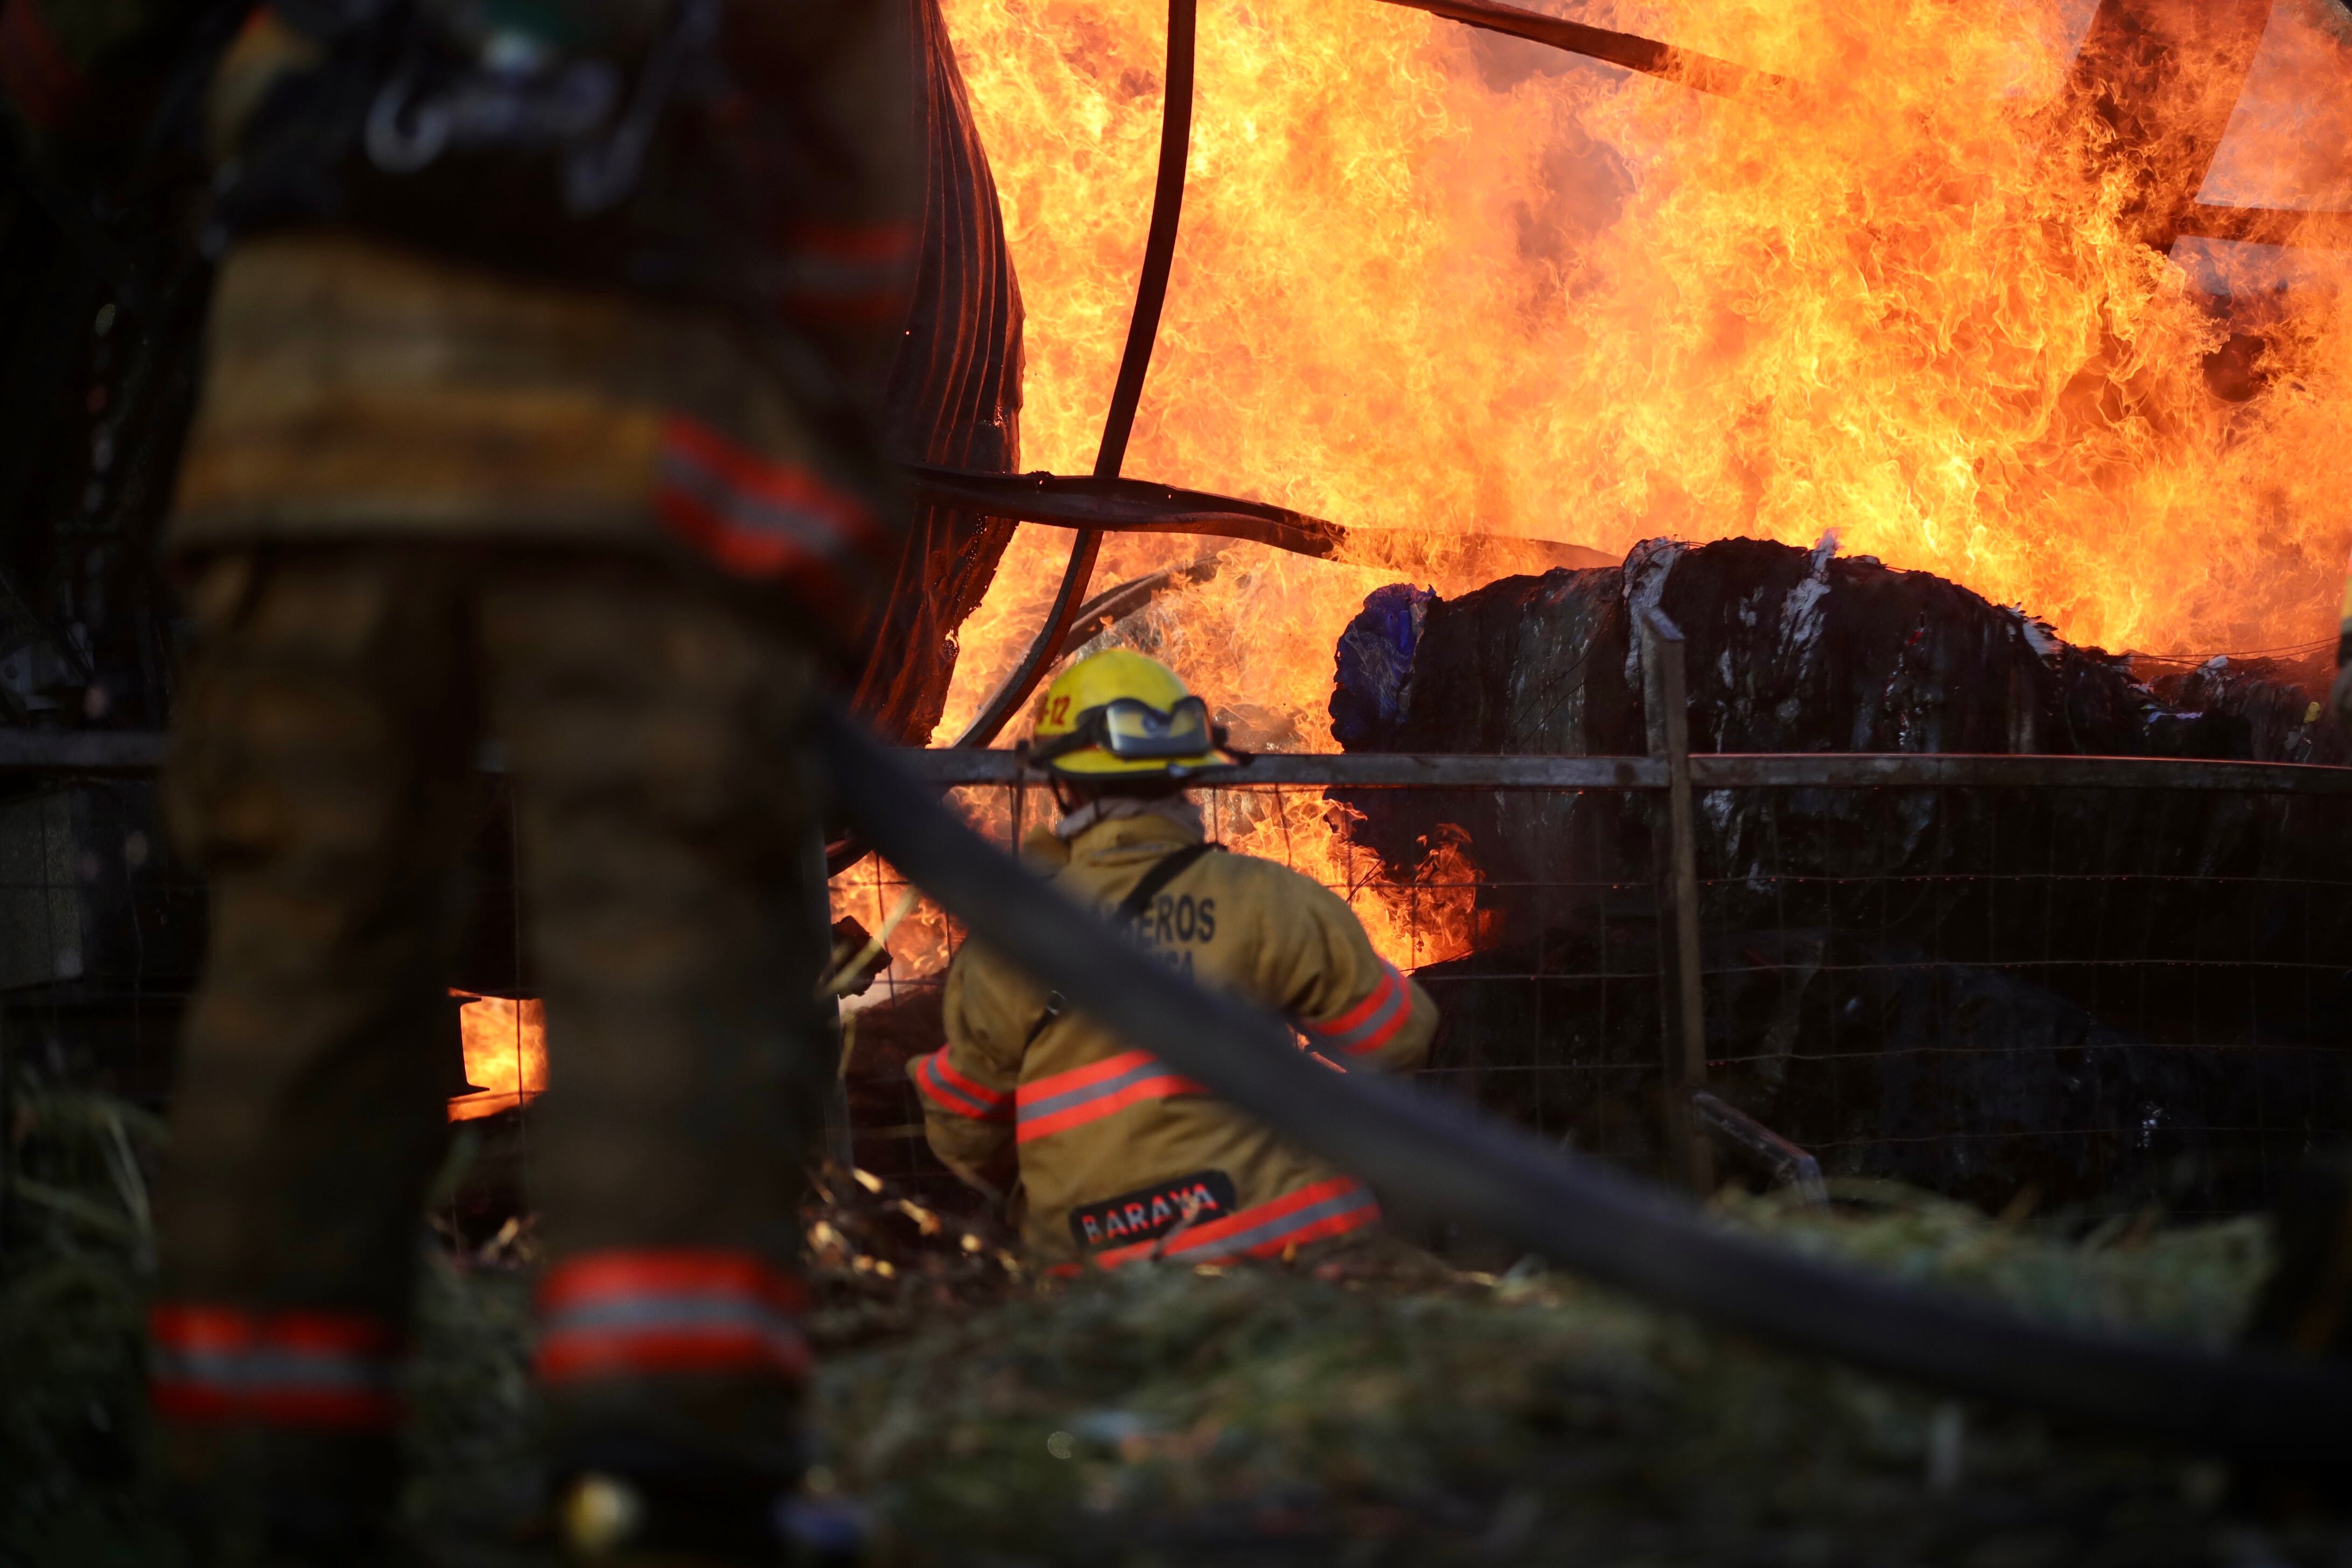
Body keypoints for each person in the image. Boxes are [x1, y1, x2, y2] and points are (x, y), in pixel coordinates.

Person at [5, 2, 919, 1560]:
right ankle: (658, 1485)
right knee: (668, 947)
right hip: (643, 421)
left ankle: (257, 1496)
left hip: (311, 436)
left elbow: (59, 66)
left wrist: (173, 283)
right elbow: (858, 155)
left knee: (302, 960)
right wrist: (807, 422)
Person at [911, 650, 1439, 1269]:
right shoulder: (1268, 900)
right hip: (1302, 1259)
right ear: (1184, 774)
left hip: (1099, 1278)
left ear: (1065, 784)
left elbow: (963, 1129)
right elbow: (1396, 1036)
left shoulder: (1010, 941)